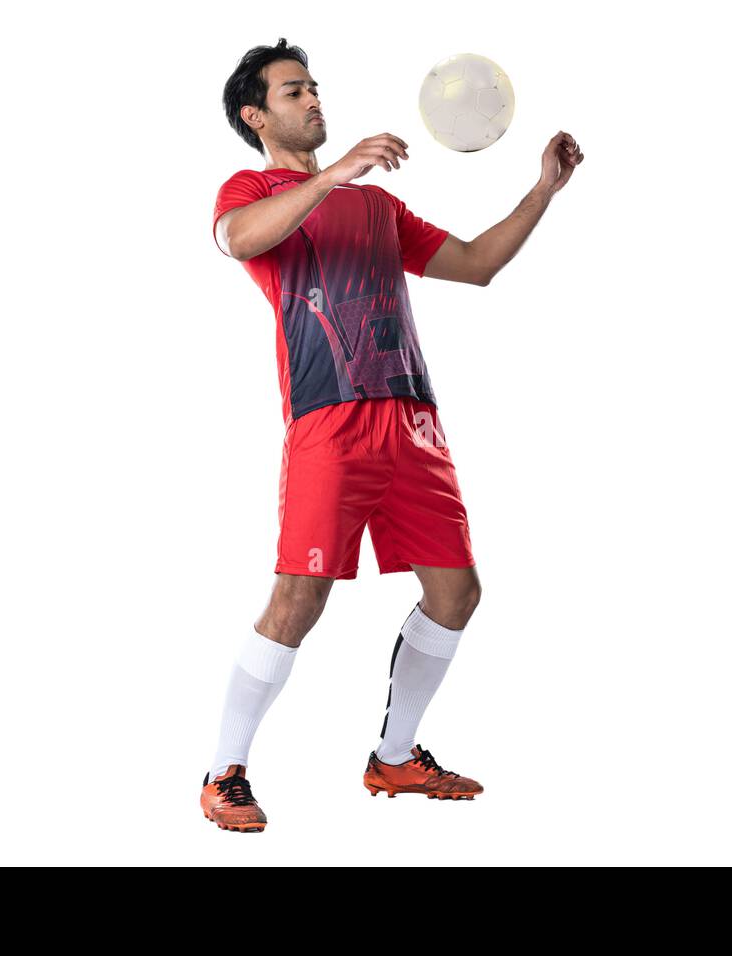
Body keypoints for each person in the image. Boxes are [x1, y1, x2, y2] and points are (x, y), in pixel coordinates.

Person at [201, 38, 583, 832]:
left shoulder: (377, 207)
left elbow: (475, 263)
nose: (313, 99)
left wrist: (543, 189)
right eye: (293, 91)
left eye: (314, 86)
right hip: (329, 419)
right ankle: (224, 771)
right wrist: (330, 175)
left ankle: (396, 757)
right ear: (255, 115)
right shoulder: (252, 189)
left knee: (457, 593)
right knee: (298, 600)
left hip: (412, 419)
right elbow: (238, 239)